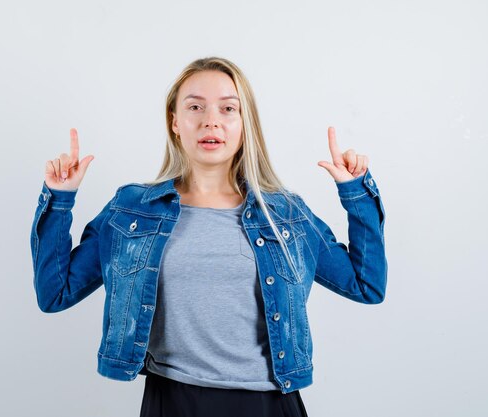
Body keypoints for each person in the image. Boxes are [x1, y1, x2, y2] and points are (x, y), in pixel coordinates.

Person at [30, 56, 387, 417]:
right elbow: (54, 293)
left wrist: (356, 193)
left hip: (266, 405)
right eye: (195, 106)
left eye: (228, 108)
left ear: (245, 123)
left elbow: (367, 285)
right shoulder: (132, 209)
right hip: (171, 402)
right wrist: (59, 200)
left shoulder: (286, 215)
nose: (210, 120)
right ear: (175, 122)